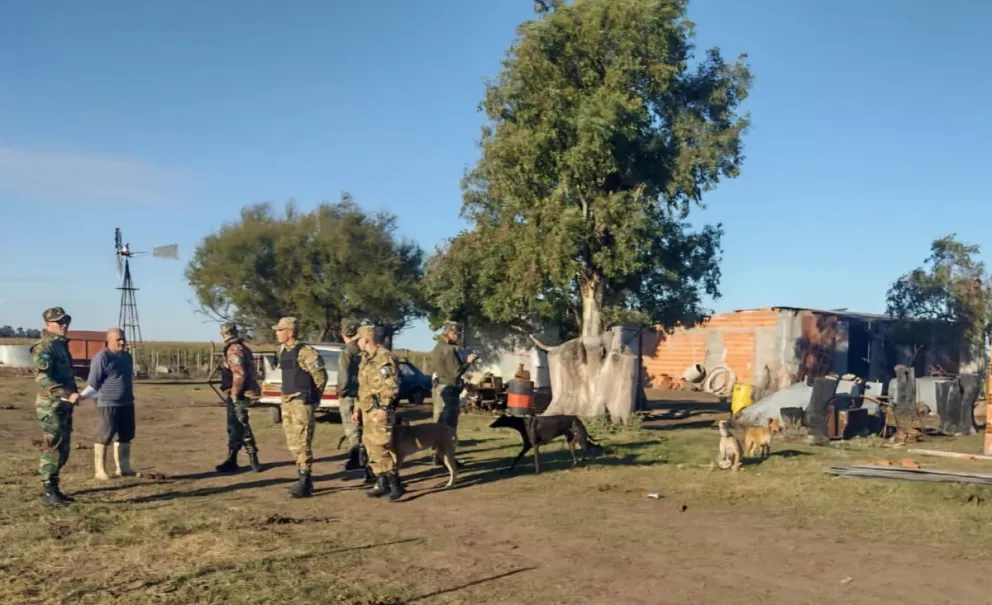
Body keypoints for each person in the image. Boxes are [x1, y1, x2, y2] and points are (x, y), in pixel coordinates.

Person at [273, 316, 328, 498]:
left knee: (302, 442)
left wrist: (314, 399)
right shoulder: (284, 351)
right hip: (288, 402)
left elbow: (320, 376)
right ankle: (303, 479)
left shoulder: (306, 352)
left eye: (280, 330)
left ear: (290, 332)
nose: (276, 333)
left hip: (301, 402)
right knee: (293, 443)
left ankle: (305, 482)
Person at [31, 307, 80, 506]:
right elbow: (42, 377)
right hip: (50, 406)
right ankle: (48, 491)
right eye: (59, 322)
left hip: (64, 405)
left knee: (63, 447)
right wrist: (66, 394)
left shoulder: (60, 345)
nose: (64, 325)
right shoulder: (44, 347)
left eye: (66, 321)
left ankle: (55, 488)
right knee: (52, 447)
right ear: (47, 324)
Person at [352, 323, 403, 500]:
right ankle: (381, 482)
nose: (357, 342)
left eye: (358, 339)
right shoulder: (365, 359)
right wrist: (357, 408)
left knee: (382, 446)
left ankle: (395, 483)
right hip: (367, 410)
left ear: (367, 339)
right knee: (370, 447)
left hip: (379, 410)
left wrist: (384, 407)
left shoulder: (384, 357)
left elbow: (391, 385)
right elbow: (362, 387)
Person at [79, 327, 137, 480]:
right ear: (109, 341)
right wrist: (82, 397)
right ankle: (100, 471)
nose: (122, 342)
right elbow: (93, 383)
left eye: (123, 339)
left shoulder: (127, 357)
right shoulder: (101, 357)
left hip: (126, 402)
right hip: (107, 402)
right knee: (105, 435)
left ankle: (124, 468)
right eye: (118, 339)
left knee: (126, 435)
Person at [215, 322, 263, 473]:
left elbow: (239, 374)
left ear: (223, 334)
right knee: (236, 426)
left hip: (238, 393)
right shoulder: (241, 347)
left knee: (240, 425)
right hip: (240, 392)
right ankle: (234, 459)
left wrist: (235, 393)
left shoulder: (234, 350)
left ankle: (250, 459)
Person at [429, 320, 477, 464]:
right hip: (449, 389)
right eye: (458, 334)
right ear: (451, 333)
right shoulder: (449, 350)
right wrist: (468, 362)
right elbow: (456, 372)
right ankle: (448, 459)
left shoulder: (437, 347)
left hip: (439, 387)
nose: (459, 337)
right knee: (449, 426)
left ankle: (437, 456)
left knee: (439, 422)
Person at [337, 318, 363, 471]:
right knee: (361, 427)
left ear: (343, 333)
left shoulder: (347, 352)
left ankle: (356, 459)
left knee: (351, 428)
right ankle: (363, 457)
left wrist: (342, 391)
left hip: (350, 394)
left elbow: (344, 375)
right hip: (362, 394)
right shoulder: (362, 351)